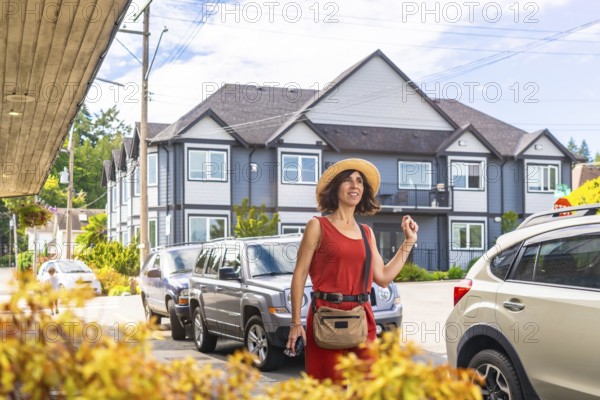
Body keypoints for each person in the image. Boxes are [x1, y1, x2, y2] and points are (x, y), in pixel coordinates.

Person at [286, 158, 418, 382]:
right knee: (327, 390)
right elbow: (299, 274)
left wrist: (409, 241)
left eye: (359, 181)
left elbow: (383, 278)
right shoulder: (317, 226)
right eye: (347, 180)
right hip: (325, 319)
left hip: (362, 319)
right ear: (336, 188)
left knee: (366, 389)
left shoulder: (366, 232)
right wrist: (295, 323)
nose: (354, 185)